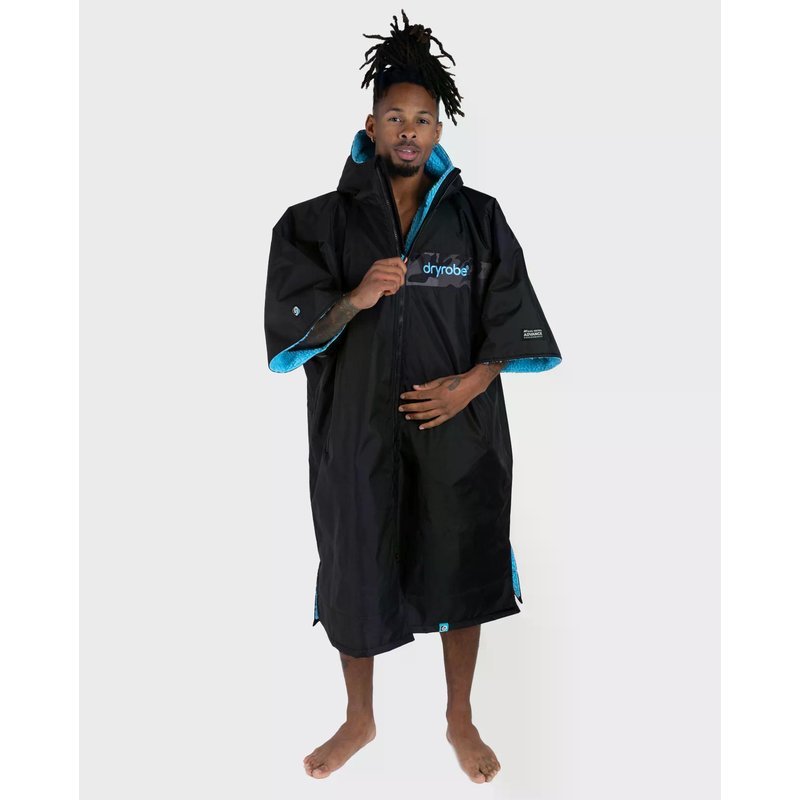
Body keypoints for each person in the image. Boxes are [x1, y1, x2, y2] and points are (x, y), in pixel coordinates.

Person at [264, 9, 562, 783]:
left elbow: (509, 317)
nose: (409, 131)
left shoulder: (478, 218)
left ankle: (459, 716)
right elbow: (292, 330)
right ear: (371, 125)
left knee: (462, 559)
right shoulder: (316, 224)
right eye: (395, 117)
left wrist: (472, 385)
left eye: (423, 119)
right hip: (356, 429)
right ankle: (359, 718)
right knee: (355, 565)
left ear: (439, 129)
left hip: (457, 429)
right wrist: (357, 297)